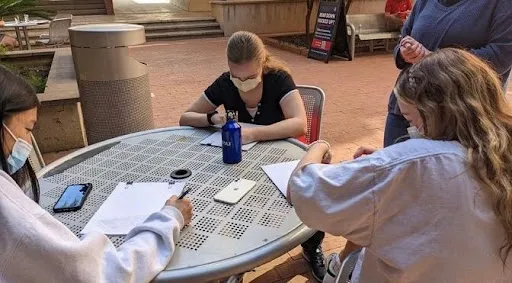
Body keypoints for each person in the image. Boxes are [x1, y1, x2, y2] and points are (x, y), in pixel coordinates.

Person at [288, 48, 512, 282]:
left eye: (412, 120)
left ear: (433, 112)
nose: (412, 130)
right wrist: (390, 165)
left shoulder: (410, 164)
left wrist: (318, 147)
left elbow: (303, 191)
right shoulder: (499, 153)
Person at [0, 65, 193, 283]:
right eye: (27, 129)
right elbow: (106, 273)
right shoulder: (11, 213)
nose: (27, 142)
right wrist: (170, 218)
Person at [179, 31, 327, 281]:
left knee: (306, 191)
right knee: (222, 195)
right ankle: (236, 258)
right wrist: (213, 118)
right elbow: (185, 118)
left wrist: (254, 134)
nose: (242, 82)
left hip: (280, 155)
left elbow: (299, 124)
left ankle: (312, 247)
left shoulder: (278, 79)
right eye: (237, 76)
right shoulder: (225, 83)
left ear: (262, 64)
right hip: (242, 163)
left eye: (250, 77)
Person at [384, 0, 512, 147]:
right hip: (406, 111)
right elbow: (404, 37)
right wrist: (404, 51)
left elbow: (500, 56)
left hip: (458, 120)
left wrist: (434, 59)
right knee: (395, 166)